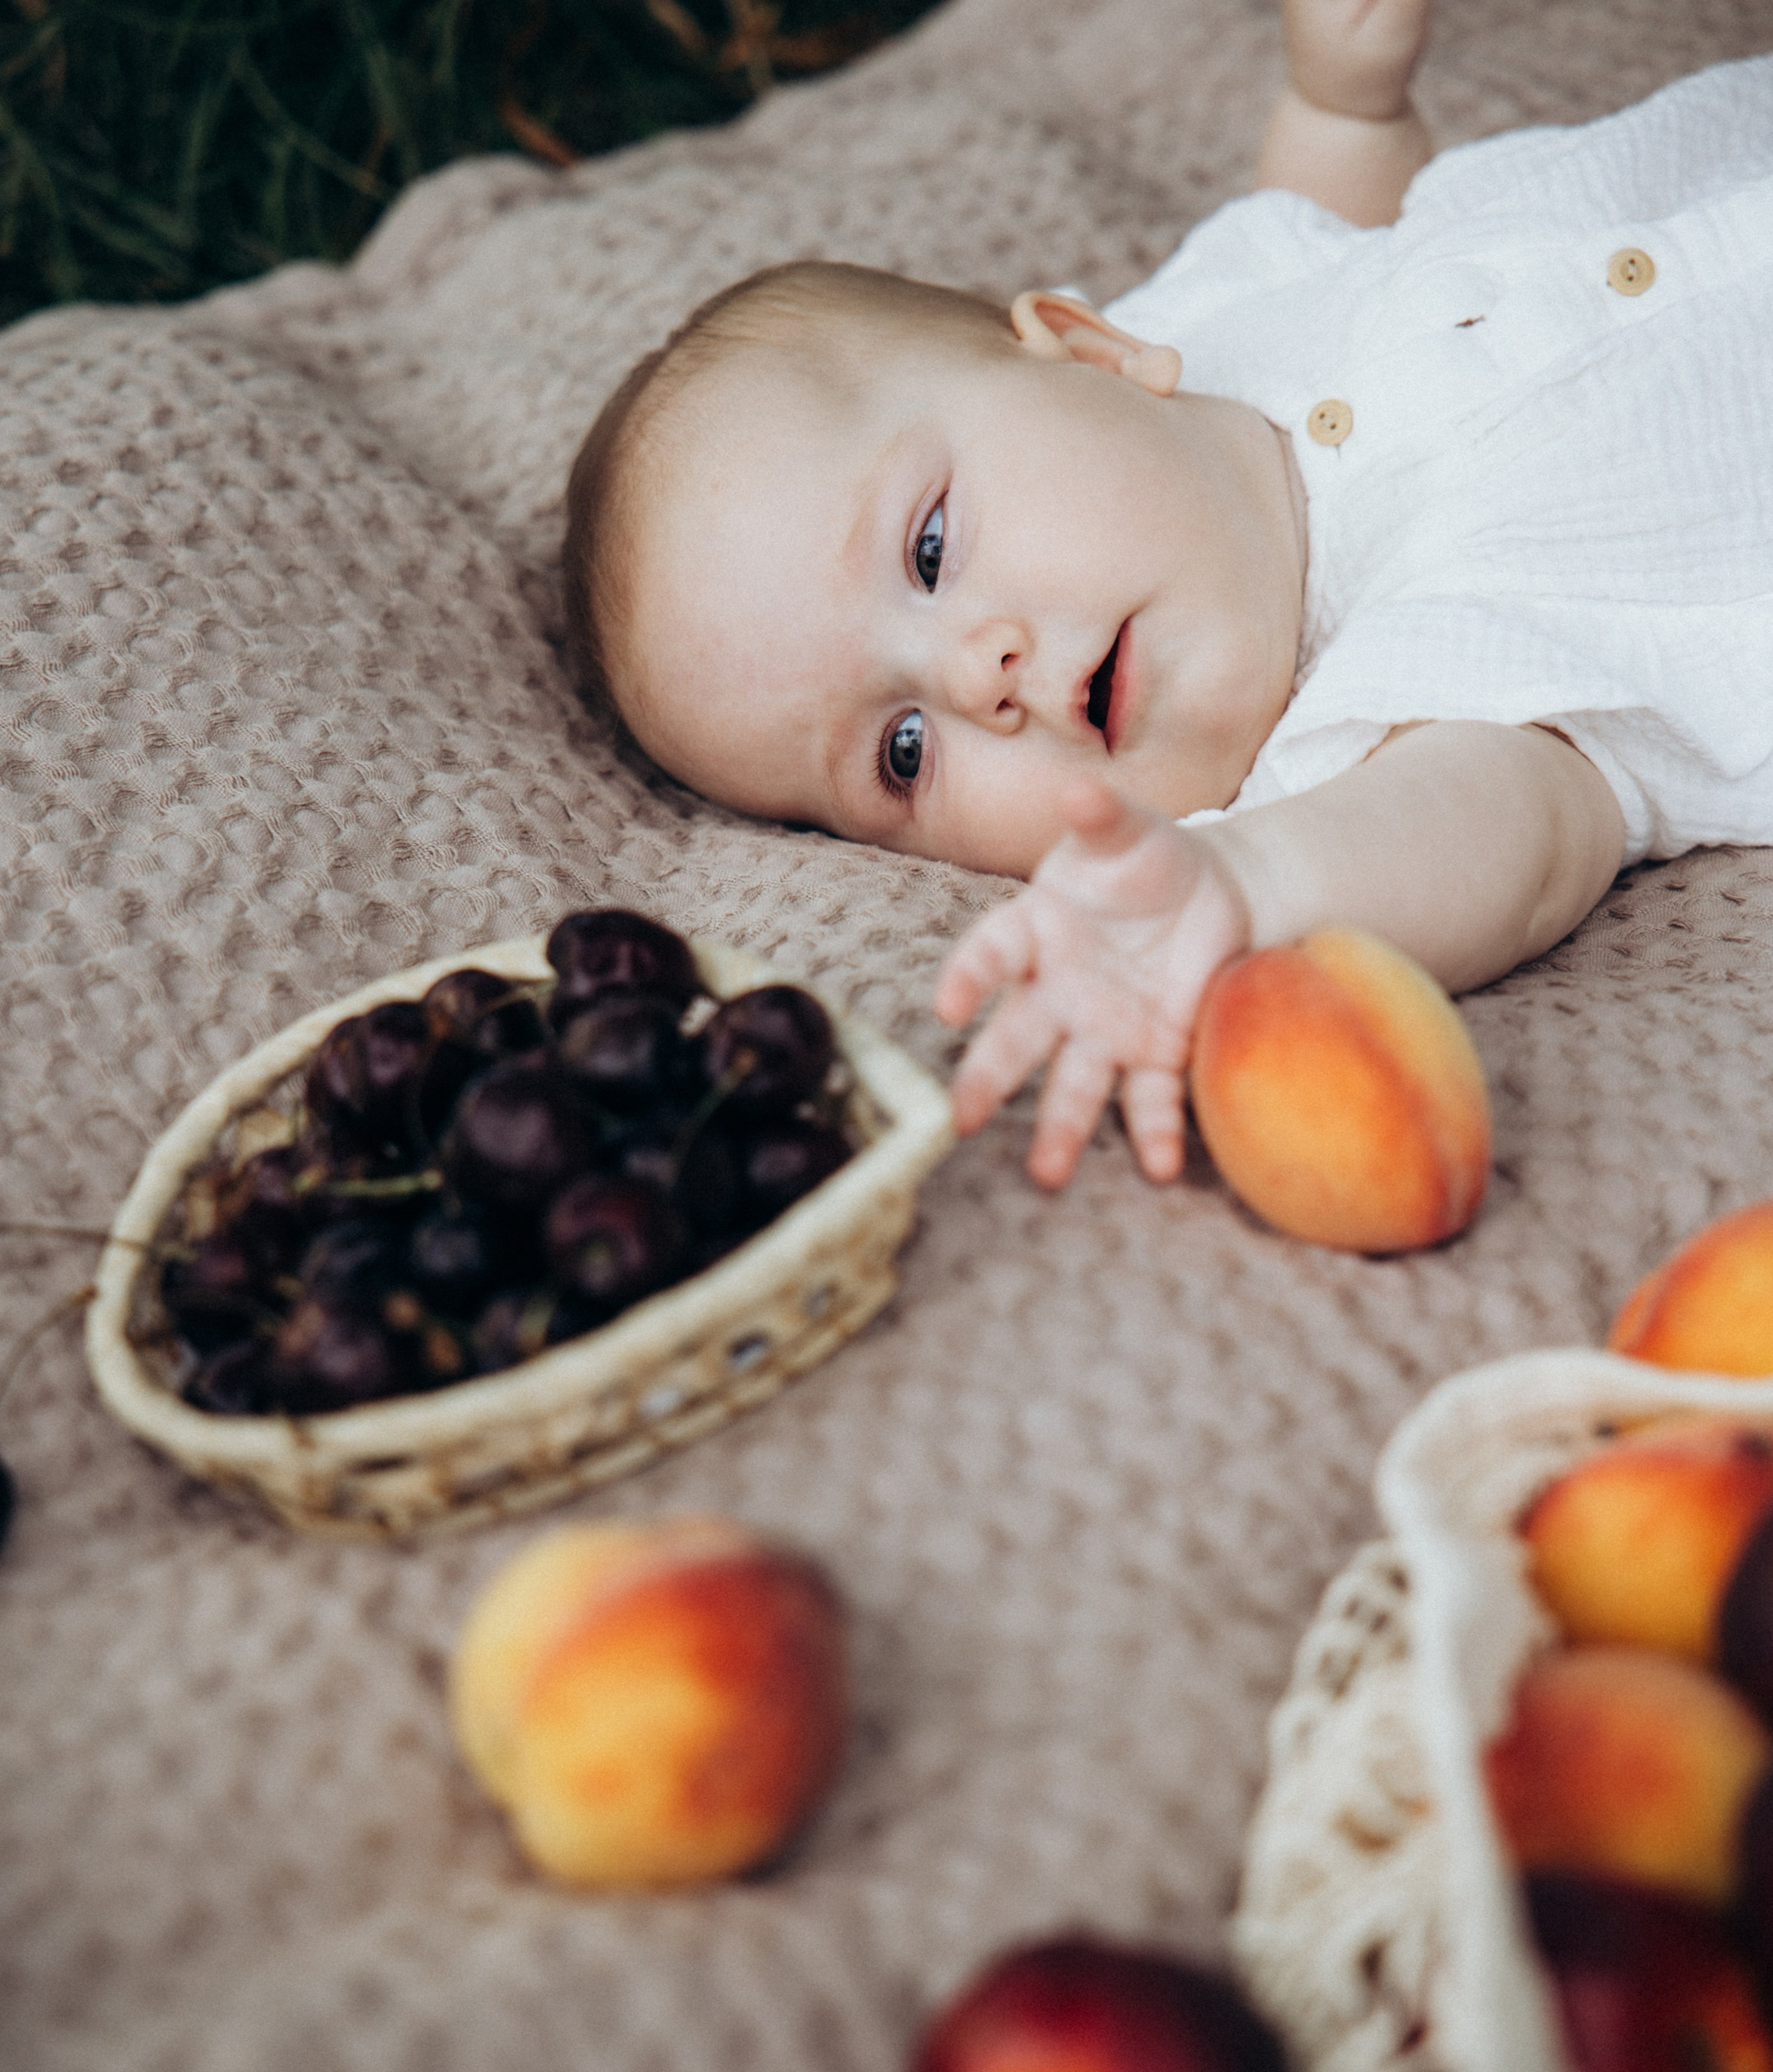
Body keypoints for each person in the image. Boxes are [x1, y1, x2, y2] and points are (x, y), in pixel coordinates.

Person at [562, 3, 1773, 1188]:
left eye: (931, 552)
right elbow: (1525, 835)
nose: (972, 673)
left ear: (1090, 351)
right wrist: (1246, 890)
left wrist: (1344, 104)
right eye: (903, 750)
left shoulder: (1200, 320)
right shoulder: (1350, 755)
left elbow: (1331, 236)